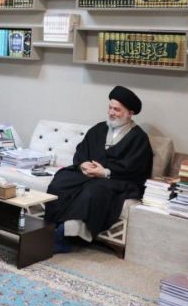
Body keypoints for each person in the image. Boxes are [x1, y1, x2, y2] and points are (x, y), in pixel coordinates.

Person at [45, 86, 153, 253]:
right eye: (110, 108)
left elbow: (135, 168)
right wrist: (83, 164)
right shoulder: (99, 129)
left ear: (130, 113)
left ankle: (64, 235)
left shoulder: (139, 138)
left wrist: (105, 172)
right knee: (62, 180)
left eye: (117, 110)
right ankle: (49, 228)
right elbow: (82, 151)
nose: (111, 113)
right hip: (90, 175)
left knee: (93, 191)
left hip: (118, 180)